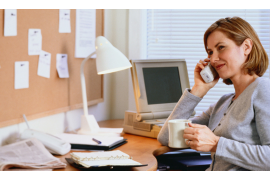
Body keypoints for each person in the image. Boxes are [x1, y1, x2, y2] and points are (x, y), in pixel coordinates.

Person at [157, 16, 270, 171]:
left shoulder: (264, 89)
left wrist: (216, 144)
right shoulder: (222, 103)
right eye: (210, 52)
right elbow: (166, 137)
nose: (214, 59)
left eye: (221, 47)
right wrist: (198, 90)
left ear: (246, 47)